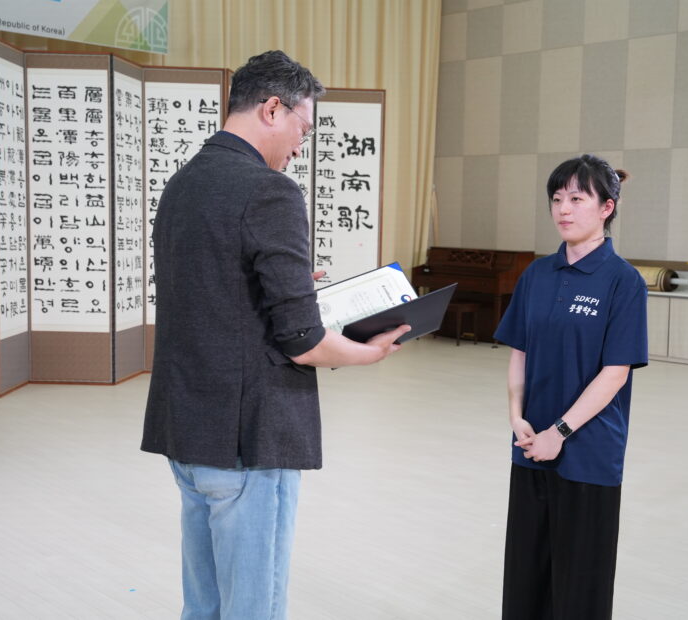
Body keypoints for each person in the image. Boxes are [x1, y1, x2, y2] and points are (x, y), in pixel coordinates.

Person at [141, 50, 409, 620]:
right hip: (248, 437)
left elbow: (212, 290)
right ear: (271, 109)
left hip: (186, 429)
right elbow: (304, 341)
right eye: (302, 129)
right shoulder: (270, 191)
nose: (300, 146)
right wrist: (369, 352)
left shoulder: (182, 184)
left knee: (204, 605)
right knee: (252, 608)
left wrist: (289, 287)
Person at [494, 154, 648, 620]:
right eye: (557, 199)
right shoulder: (537, 275)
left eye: (577, 199)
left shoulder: (623, 281)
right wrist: (517, 417)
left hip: (588, 451)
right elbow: (519, 352)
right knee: (526, 574)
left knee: (580, 581)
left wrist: (559, 432)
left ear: (606, 207)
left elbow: (615, 372)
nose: (563, 209)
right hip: (531, 444)